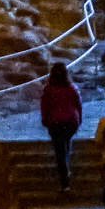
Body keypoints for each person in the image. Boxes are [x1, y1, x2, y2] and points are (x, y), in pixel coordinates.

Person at [40, 61, 83, 191]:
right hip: (70, 122)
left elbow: (44, 106)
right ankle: (66, 164)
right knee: (65, 144)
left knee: (59, 150)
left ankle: (65, 181)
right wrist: (79, 118)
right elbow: (78, 103)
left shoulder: (49, 89)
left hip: (55, 122)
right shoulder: (71, 88)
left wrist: (45, 119)